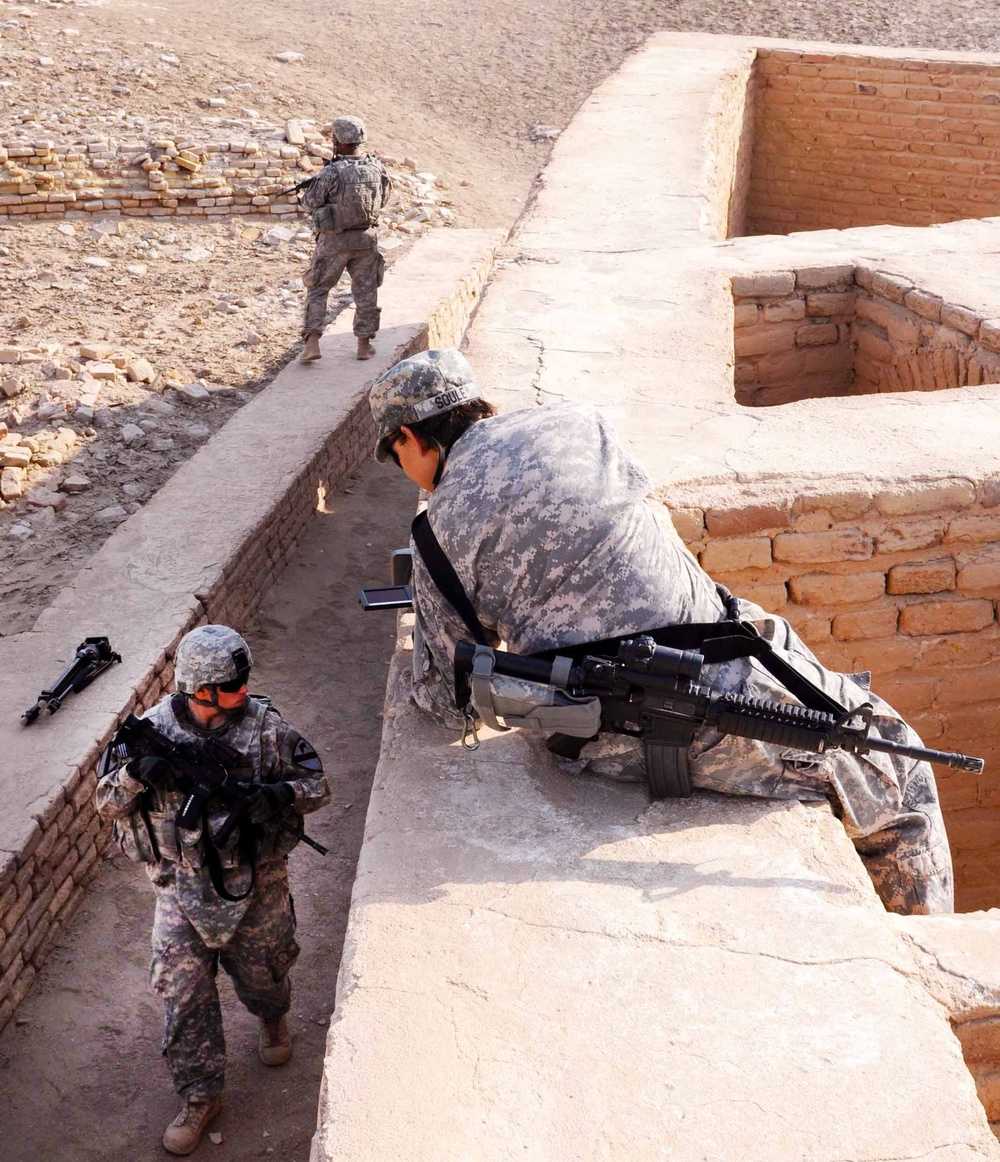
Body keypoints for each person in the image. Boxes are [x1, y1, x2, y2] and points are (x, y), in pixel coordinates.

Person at [368, 348, 955, 917]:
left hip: (651, 708)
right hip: (691, 672)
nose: (409, 478)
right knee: (901, 771)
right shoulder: (578, 422)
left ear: (411, 438)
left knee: (886, 760)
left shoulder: (437, 529)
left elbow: (446, 704)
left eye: (396, 458)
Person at [96, 625, 330, 1156]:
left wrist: (277, 795)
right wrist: (135, 775)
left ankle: (272, 1016)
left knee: (265, 972)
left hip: (256, 881)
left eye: (243, 683)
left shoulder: (266, 729)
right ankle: (200, 1096)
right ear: (198, 689)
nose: (242, 694)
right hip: (179, 886)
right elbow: (104, 804)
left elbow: (319, 786)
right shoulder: (150, 730)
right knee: (181, 997)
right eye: (230, 687)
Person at [299, 114, 392, 364]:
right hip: (366, 239)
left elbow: (310, 203)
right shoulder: (377, 167)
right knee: (366, 292)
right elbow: (383, 199)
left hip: (334, 241)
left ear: (338, 140)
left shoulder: (332, 172)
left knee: (318, 289)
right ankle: (364, 345)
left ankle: (311, 344)